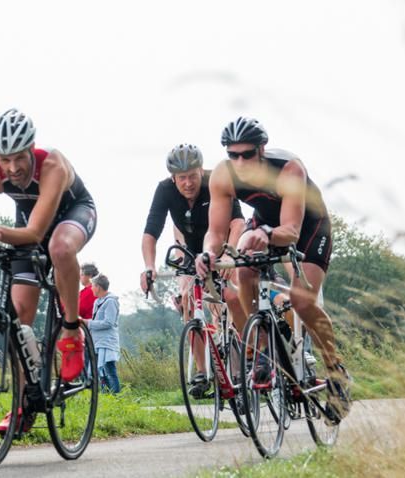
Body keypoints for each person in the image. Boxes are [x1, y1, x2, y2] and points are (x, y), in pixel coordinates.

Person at [195, 116, 351, 420]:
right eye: (232, 154)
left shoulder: (289, 169)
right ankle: (263, 345)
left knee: (303, 300)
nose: (239, 161)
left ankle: (335, 369)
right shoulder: (222, 175)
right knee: (243, 269)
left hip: (308, 226)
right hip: (264, 223)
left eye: (247, 154)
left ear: (262, 149)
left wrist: (264, 235)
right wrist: (207, 254)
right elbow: (215, 232)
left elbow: (291, 230)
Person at [0, 108, 97, 433]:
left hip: (72, 215)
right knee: (18, 317)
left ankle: (71, 330)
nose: (12, 167)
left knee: (59, 248)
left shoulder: (52, 165)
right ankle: (24, 404)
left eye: (19, 157)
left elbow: (36, 234)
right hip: (28, 224)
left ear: (31, 147)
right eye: (4, 159)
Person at [140, 143, 247, 398]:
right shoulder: (164, 190)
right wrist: (149, 267)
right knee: (189, 301)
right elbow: (150, 232)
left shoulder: (216, 182)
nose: (188, 183)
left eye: (192, 176)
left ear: (201, 171)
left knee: (232, 297)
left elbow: (238, 222)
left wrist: (228, 255)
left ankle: (249, 352)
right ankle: (202, 371)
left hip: (222, 249)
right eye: (182, 178)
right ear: (173, 178)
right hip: (191, 254)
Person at [82, 274, 121, 394]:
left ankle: (116, 398)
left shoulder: (110, 302)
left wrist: (88, 323)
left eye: (93, 286)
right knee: (101, 372)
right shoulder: (97, 302)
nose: (92, 289)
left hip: (107, 342)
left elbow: (109, 323)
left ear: (98, 287)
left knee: (109, 370)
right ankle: (107, 396)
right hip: (97, 342)